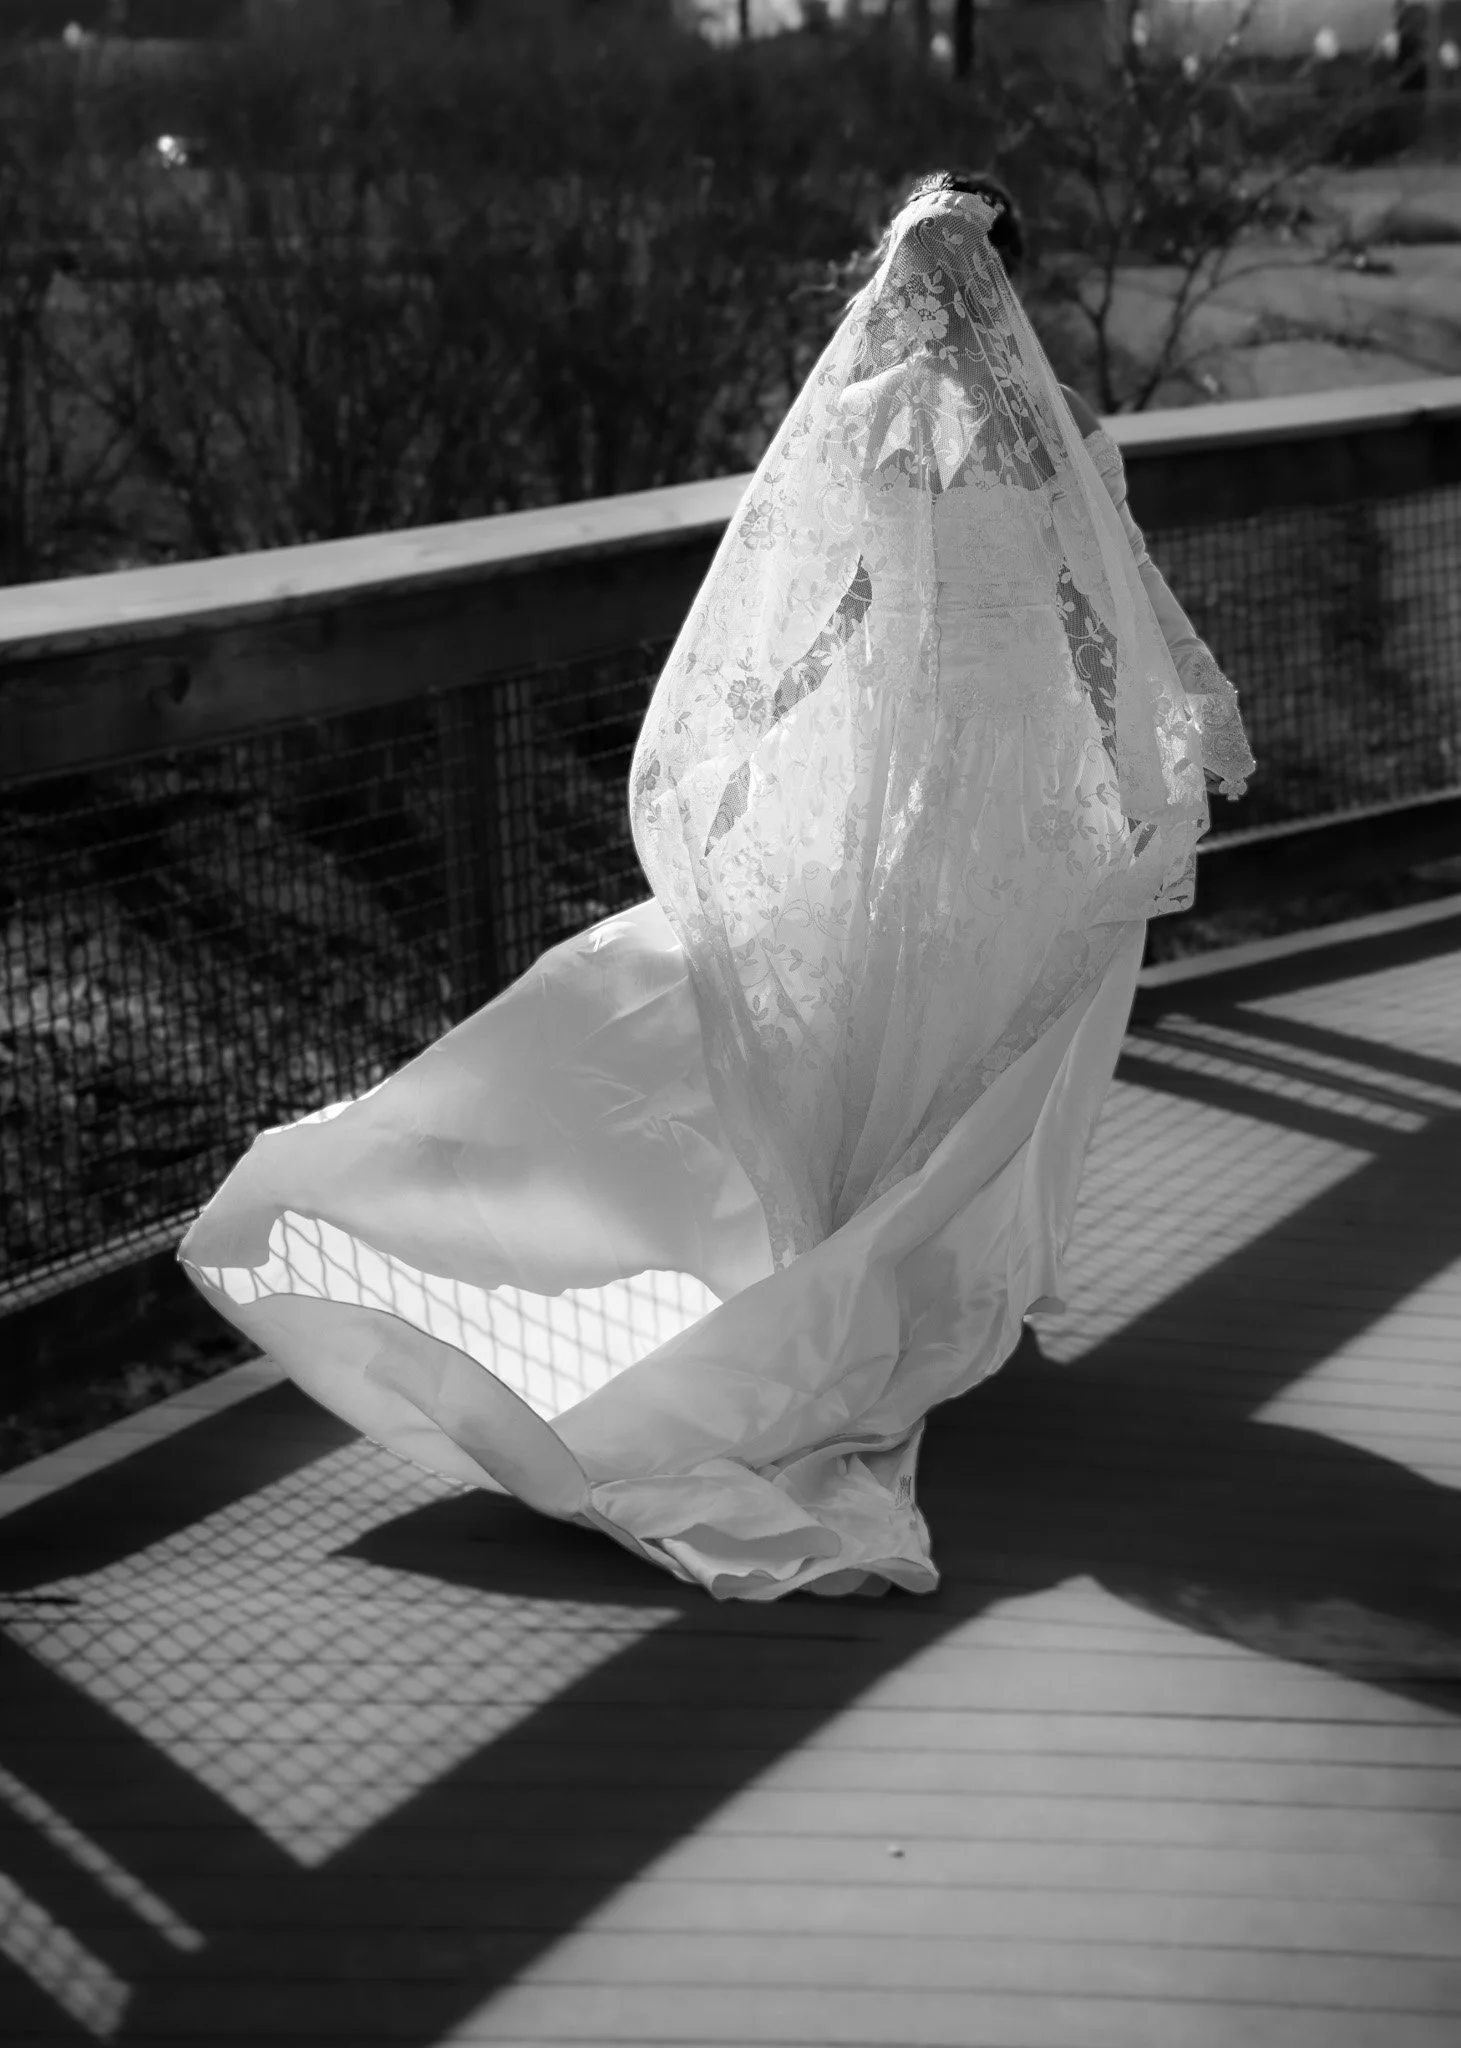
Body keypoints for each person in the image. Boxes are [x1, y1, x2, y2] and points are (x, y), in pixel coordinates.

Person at [181, 172, 1254, 1601]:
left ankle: (843, 1278)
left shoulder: (865, 431)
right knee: (961, 1055)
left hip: (883, 792)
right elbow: (1091, 631)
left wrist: (749, 743)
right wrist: (1138, 775)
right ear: (1017, 283)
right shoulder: (1065, 451)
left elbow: (829, 619)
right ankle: (874, 1297)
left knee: (866, 1041)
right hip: (997, 803)